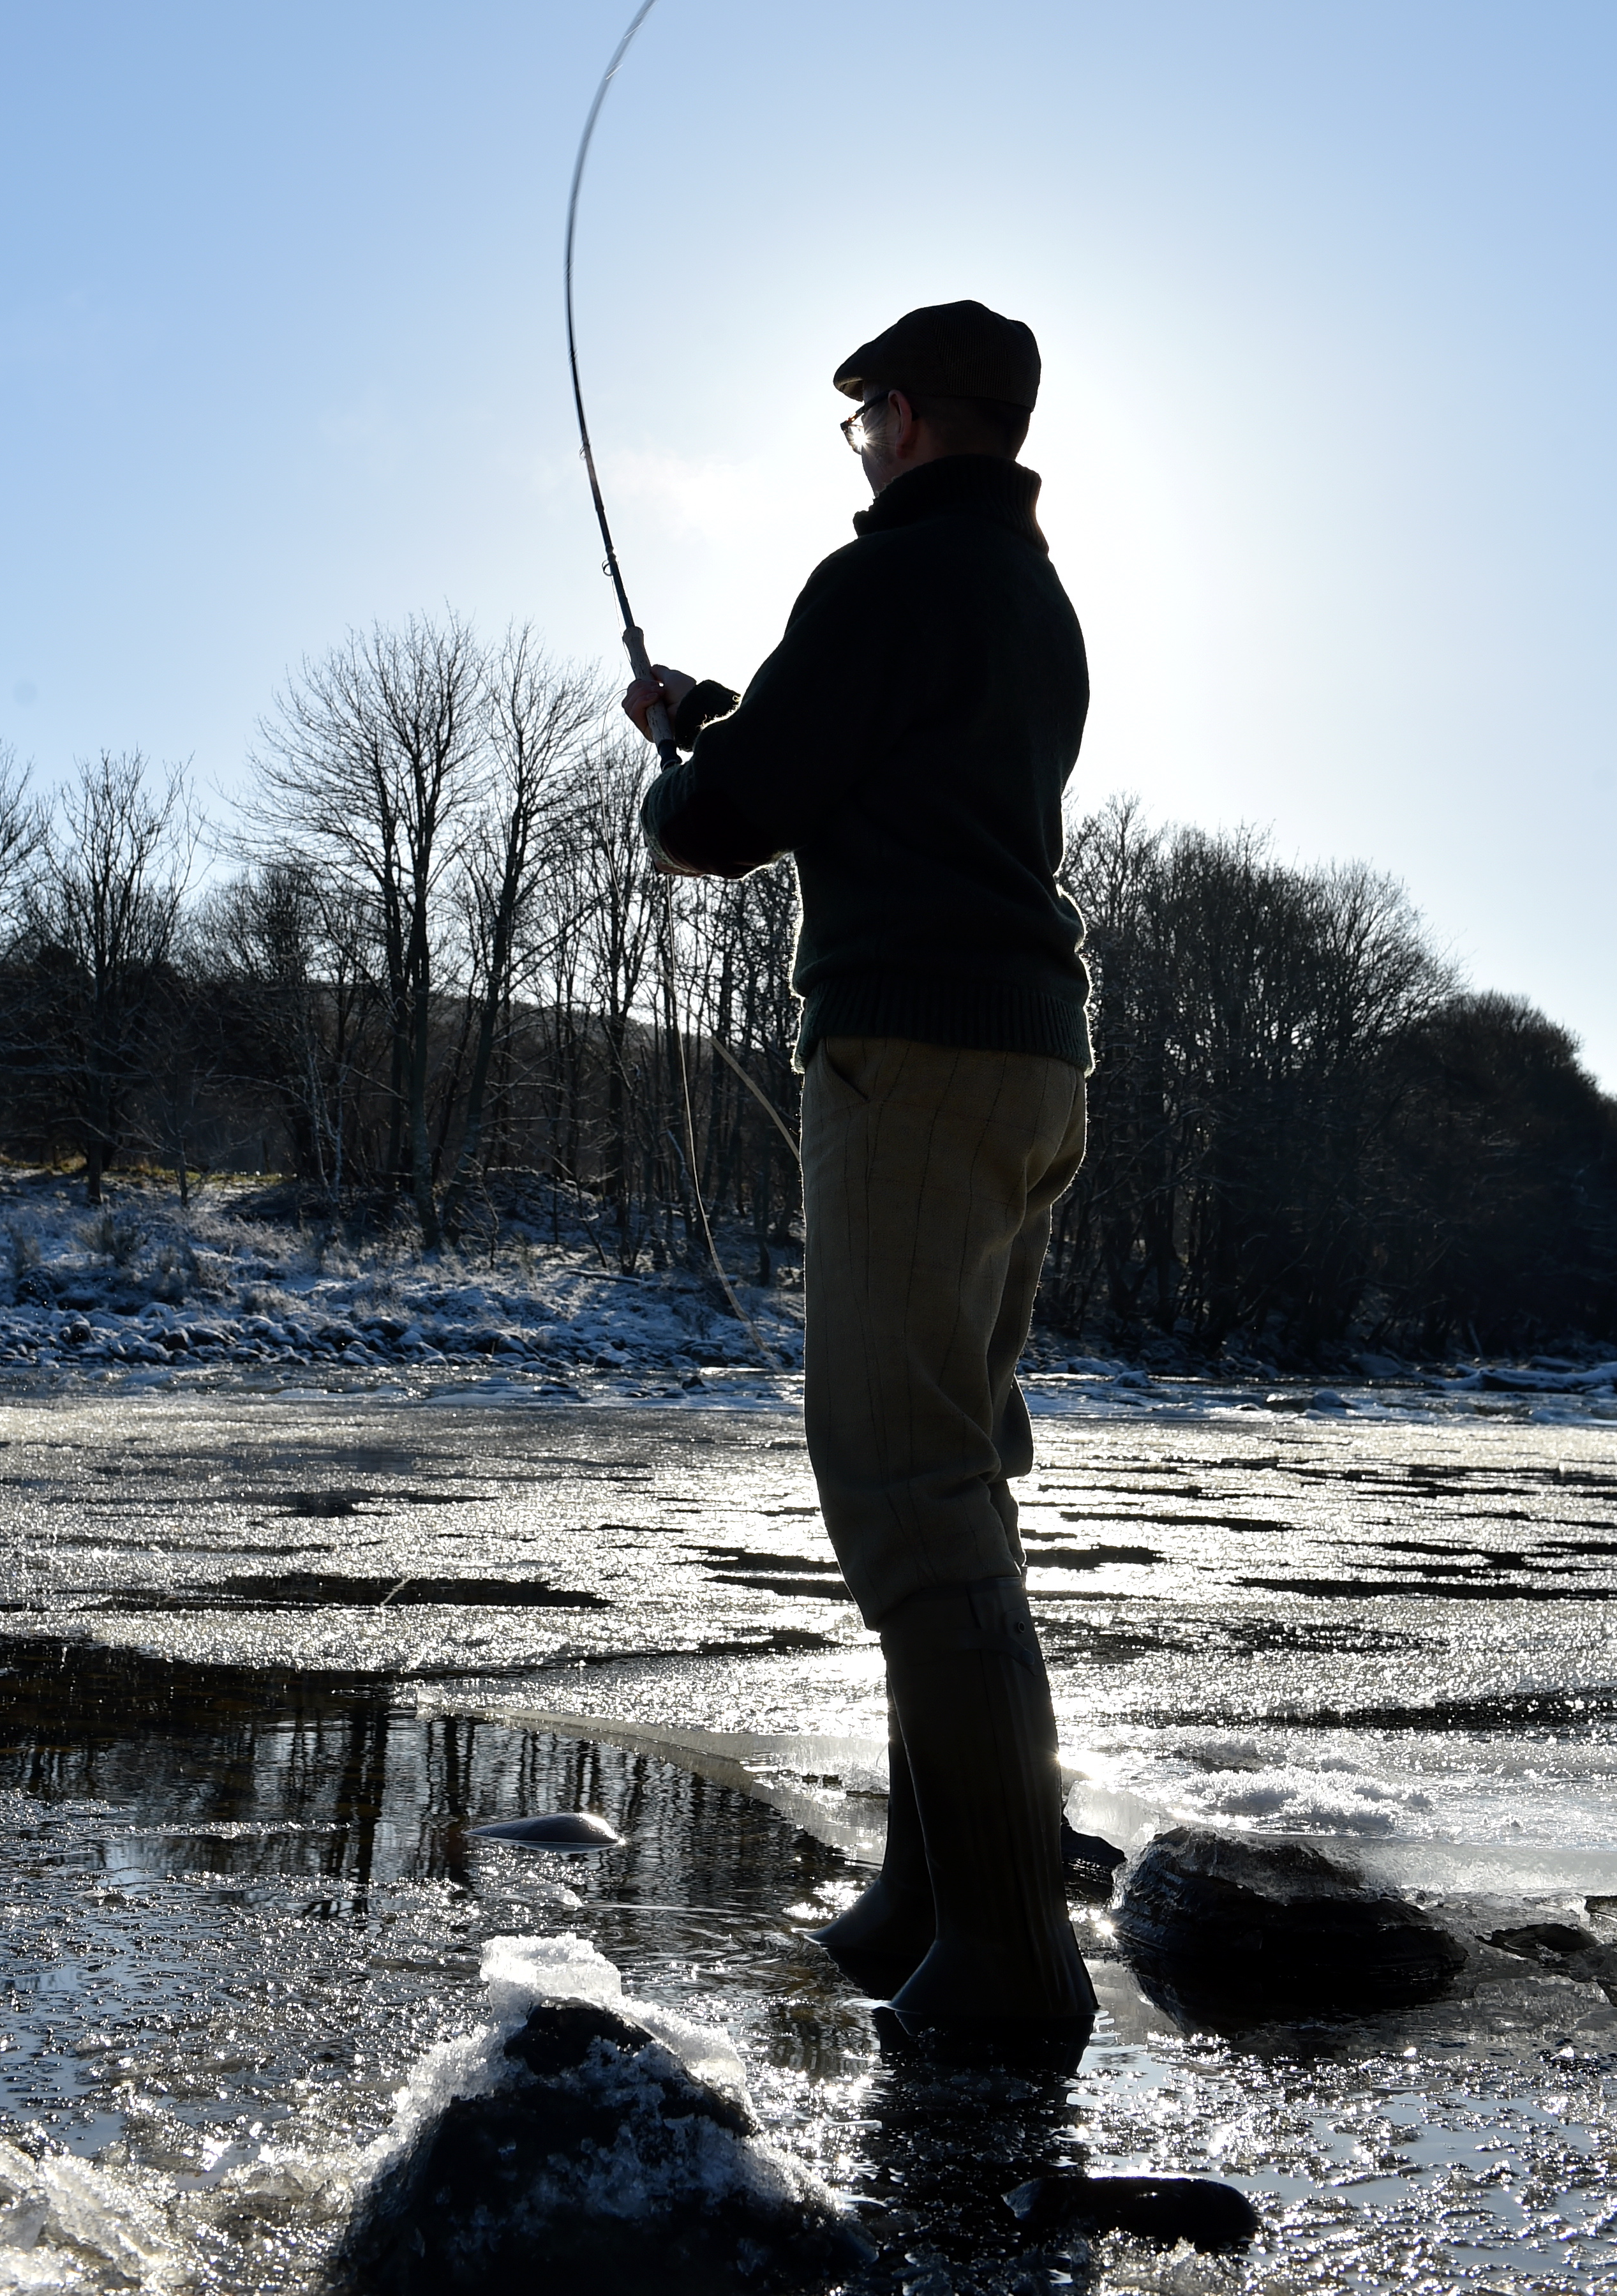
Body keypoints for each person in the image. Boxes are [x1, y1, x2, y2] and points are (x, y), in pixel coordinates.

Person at [623, 296, 1096, 2062]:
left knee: (905, 1492)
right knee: (960, 1477)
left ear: (907, 417)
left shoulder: (885, 577)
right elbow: (882, 769)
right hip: (1034, 1059)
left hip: (913, 1060)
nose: (864, 446)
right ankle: (930, 1889)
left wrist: (681, 776)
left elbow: (729, 822)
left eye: (868, 417)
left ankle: (1009, 1956)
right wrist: (737, 727)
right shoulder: (1025, 595)